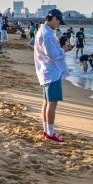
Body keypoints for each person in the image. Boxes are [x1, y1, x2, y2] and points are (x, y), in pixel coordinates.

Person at [34, 9, 73, 143]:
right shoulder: (47, 34)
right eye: (59, 22)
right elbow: (53, 54)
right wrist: (64, 50)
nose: (59, 25)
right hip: (51, 72)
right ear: (54, 18)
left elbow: (51, 52)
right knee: (52, 103)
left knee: (47, 102)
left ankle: (47, 131)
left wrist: (61, 49)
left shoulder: (43, 31)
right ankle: (50, 133)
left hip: (46, 71)